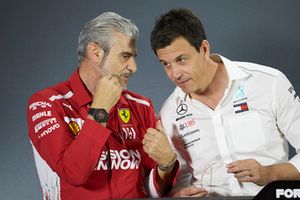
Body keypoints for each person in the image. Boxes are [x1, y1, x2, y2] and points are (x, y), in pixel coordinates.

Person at [150, 8, 300, 197]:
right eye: (166, 64)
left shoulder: (269, 82)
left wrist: (270, 174)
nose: (175, 73)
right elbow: (175, 183)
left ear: (204, 49)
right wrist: (178, 195)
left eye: (181, 60)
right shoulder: (169, 112)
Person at [27, 12, 178, 200]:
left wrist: (167, 165)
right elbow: (74, 174)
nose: (133, 67)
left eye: (133, 57)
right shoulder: (46, 103)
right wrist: (100, 109)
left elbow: (151, 189)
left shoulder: (141, 106)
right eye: (125, 56)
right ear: (96, 52)